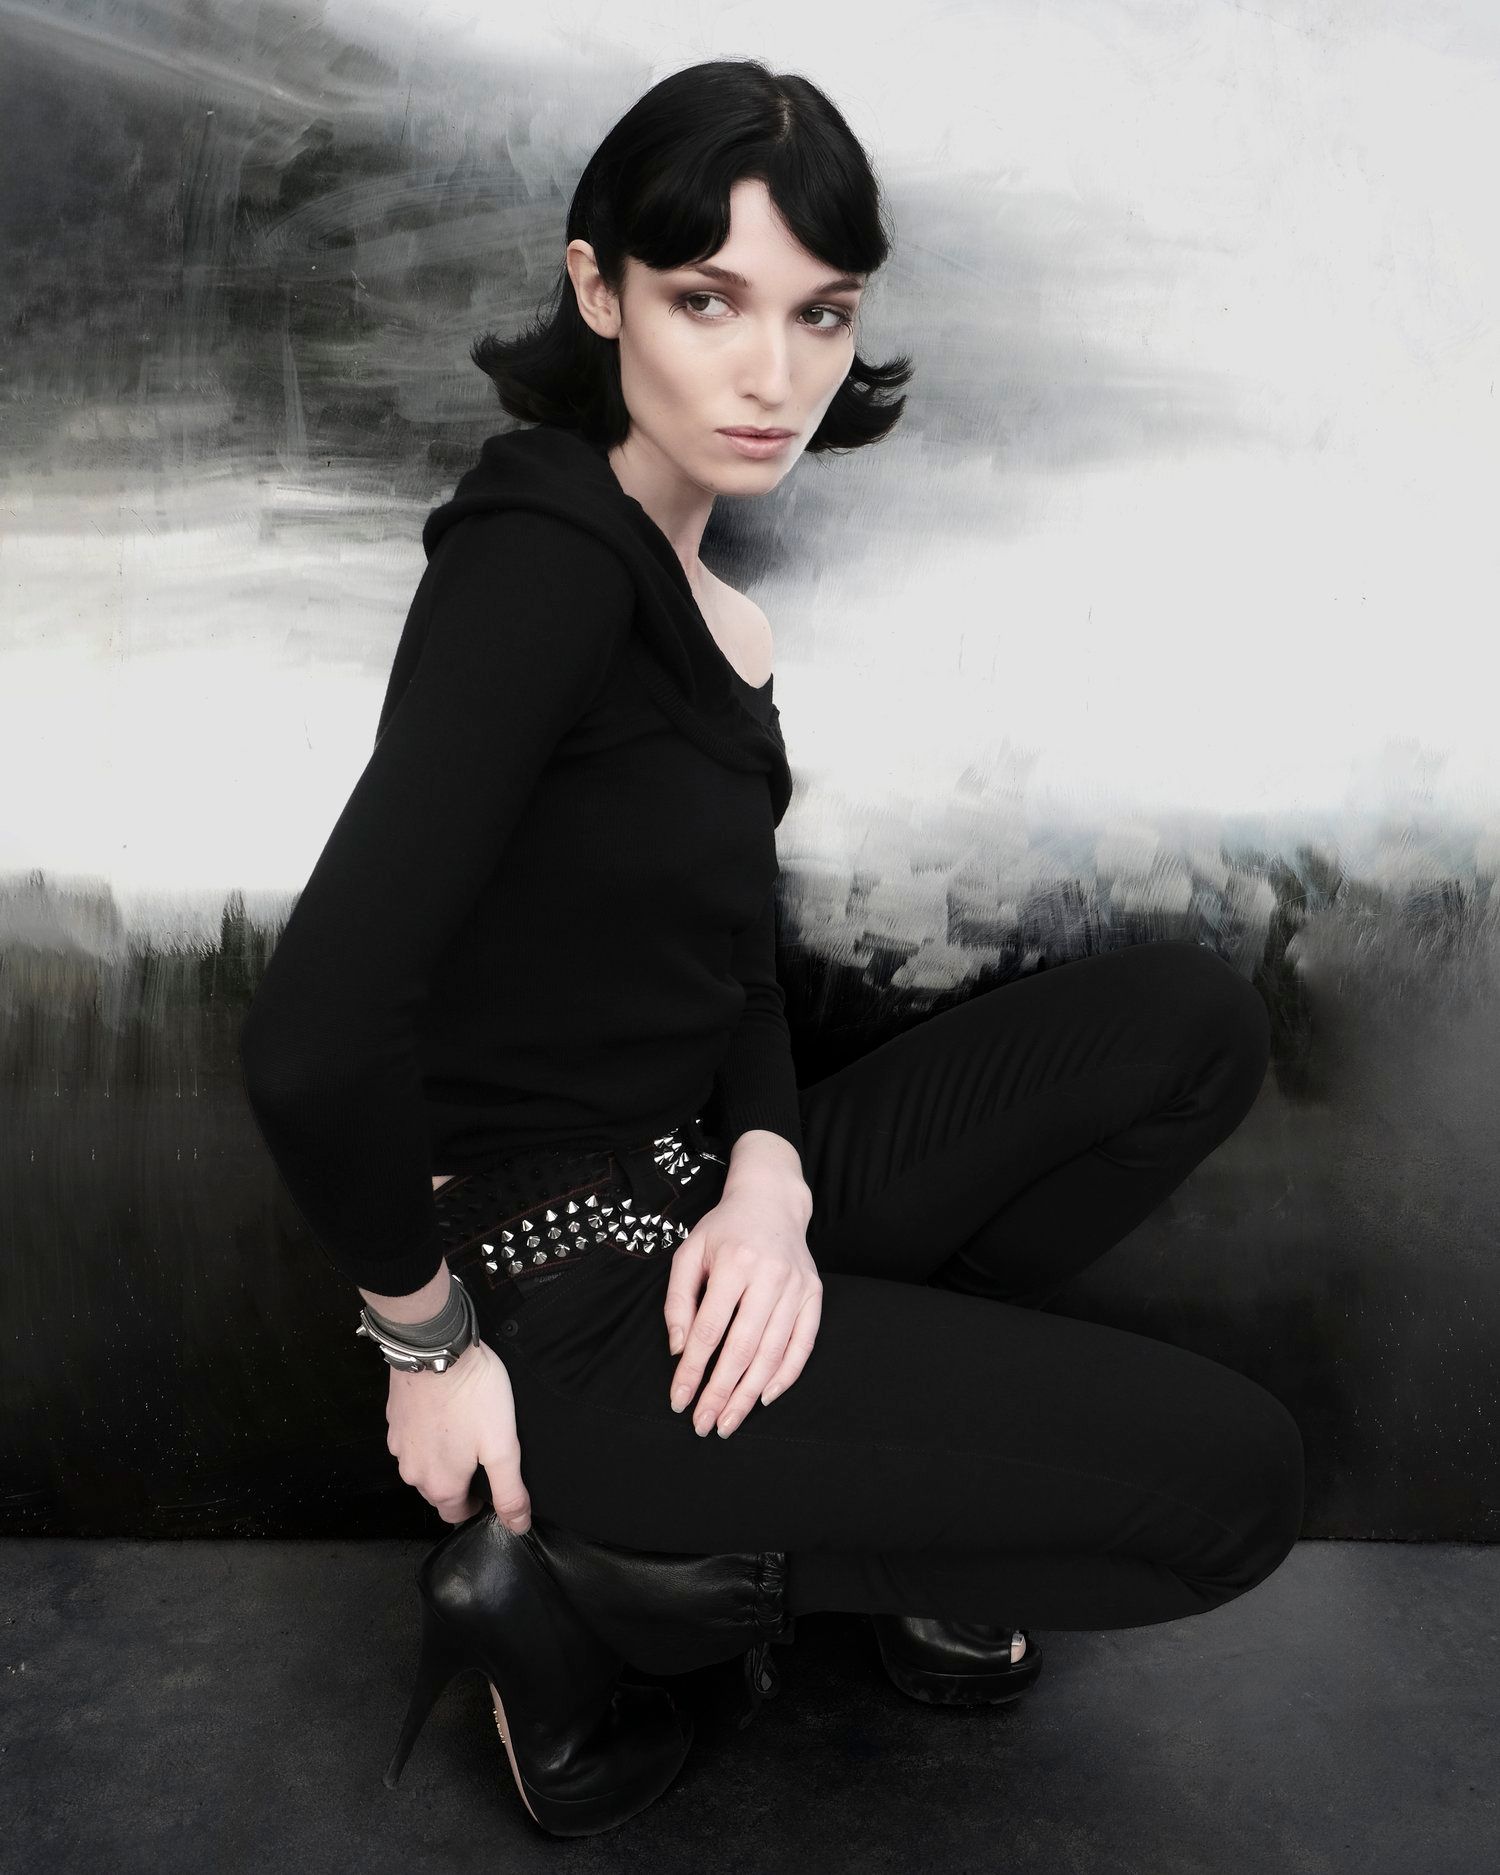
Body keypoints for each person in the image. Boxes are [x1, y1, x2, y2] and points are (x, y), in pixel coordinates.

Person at [238, 58, 1304, 1840]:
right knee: (1239, 1492)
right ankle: (606, 1576)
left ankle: (854, 1473)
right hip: (565, 1313)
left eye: (821, 313)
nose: (773, 373)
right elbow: (311, 1036)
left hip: (700, 1213)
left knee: (1188, 1026)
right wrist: (428, 1348)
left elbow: (732, 973)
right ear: (598, 292)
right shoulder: (540, 559)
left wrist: (769, 1181)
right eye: (707, 300)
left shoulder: (713, 612)